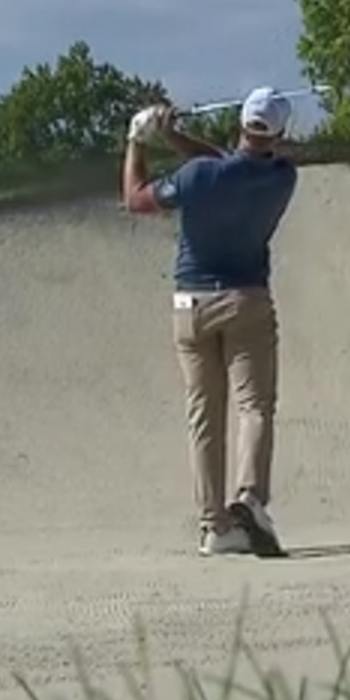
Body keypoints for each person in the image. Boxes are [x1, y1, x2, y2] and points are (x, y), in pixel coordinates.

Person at [121, 87, 299, 558]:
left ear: (239, 122)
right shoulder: (283, 177)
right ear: (281, 134)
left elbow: (136, 199)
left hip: (190, 306)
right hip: (246, 300)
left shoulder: (198, 176)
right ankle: (250, 498)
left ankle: (214, 528)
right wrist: (175, 136)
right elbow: (227, 163)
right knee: (254, 406)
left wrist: (139, 140)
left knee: (205, 416)